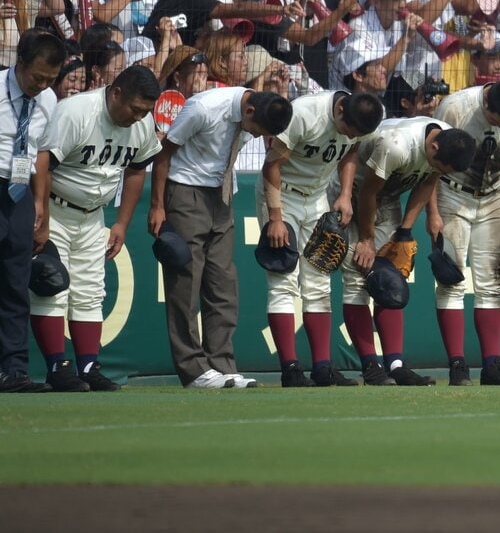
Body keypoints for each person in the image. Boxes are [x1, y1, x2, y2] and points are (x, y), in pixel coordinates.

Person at [149, 86, 293, 388]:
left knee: (223, 283)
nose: (254, 136)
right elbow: (163, 154)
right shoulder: (203, 108)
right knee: (185, 282)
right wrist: (158, 205)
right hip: (185, 190)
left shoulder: (254, 111)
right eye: (256, 130)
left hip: (224, 193)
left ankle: (222, 365)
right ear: (249, 111)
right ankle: (194, 371)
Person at [28, 65, 161, 392]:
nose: (138, 117)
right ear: (116, 93)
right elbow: (43, 164)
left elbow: (137, 170)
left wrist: (121, 223)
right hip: (56, 208)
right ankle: (57, 367)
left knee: (90, 292)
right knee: (50, 286)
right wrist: (40, 216)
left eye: (145, 111)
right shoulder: (77, 112)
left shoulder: (142, 124)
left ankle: (88, 366)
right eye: (134, 108)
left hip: (92, 216)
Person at [257, 89, 384, 388]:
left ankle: (322, 367)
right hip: (281, 196)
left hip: (317, 198)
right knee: (283, 281)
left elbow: (351, 151)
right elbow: (271, 165)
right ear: (339, 111)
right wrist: (276, 218)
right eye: (347, 129)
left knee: (318, 284)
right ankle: (290, 368)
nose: (349, 135)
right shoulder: (304, 113)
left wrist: (344, 194)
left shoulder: (359, 119)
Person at [343, 117, 477, 387]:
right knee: (358, 279)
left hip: (388, 198)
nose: (441, 170)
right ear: (435, 148)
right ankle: (370, 366)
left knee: (390, 280)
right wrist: (367, 240)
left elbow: (428, 181)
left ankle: (395, 364)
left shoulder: (443, 139)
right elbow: (367, 192)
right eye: (441, 165)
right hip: (354, 195)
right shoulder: (397, 145)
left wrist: (405, 230)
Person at [432, 80, 500, 387]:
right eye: (498, 119)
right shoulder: (456, 108)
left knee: (491, 283)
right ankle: (456, 364)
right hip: (453, 192)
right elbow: (433, 163)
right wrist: (433, 211)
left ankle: (493, 364)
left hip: (494, 194)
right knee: (451, 279)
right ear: (487, 105)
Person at [0, 31, 66, 392]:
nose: (42, 85)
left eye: (50, 80)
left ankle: (14, 369)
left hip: (21, 193)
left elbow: (42, 154)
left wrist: (41, 205)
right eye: (37, 77)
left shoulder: (48, 100)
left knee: (15, 283)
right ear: (20, 64)